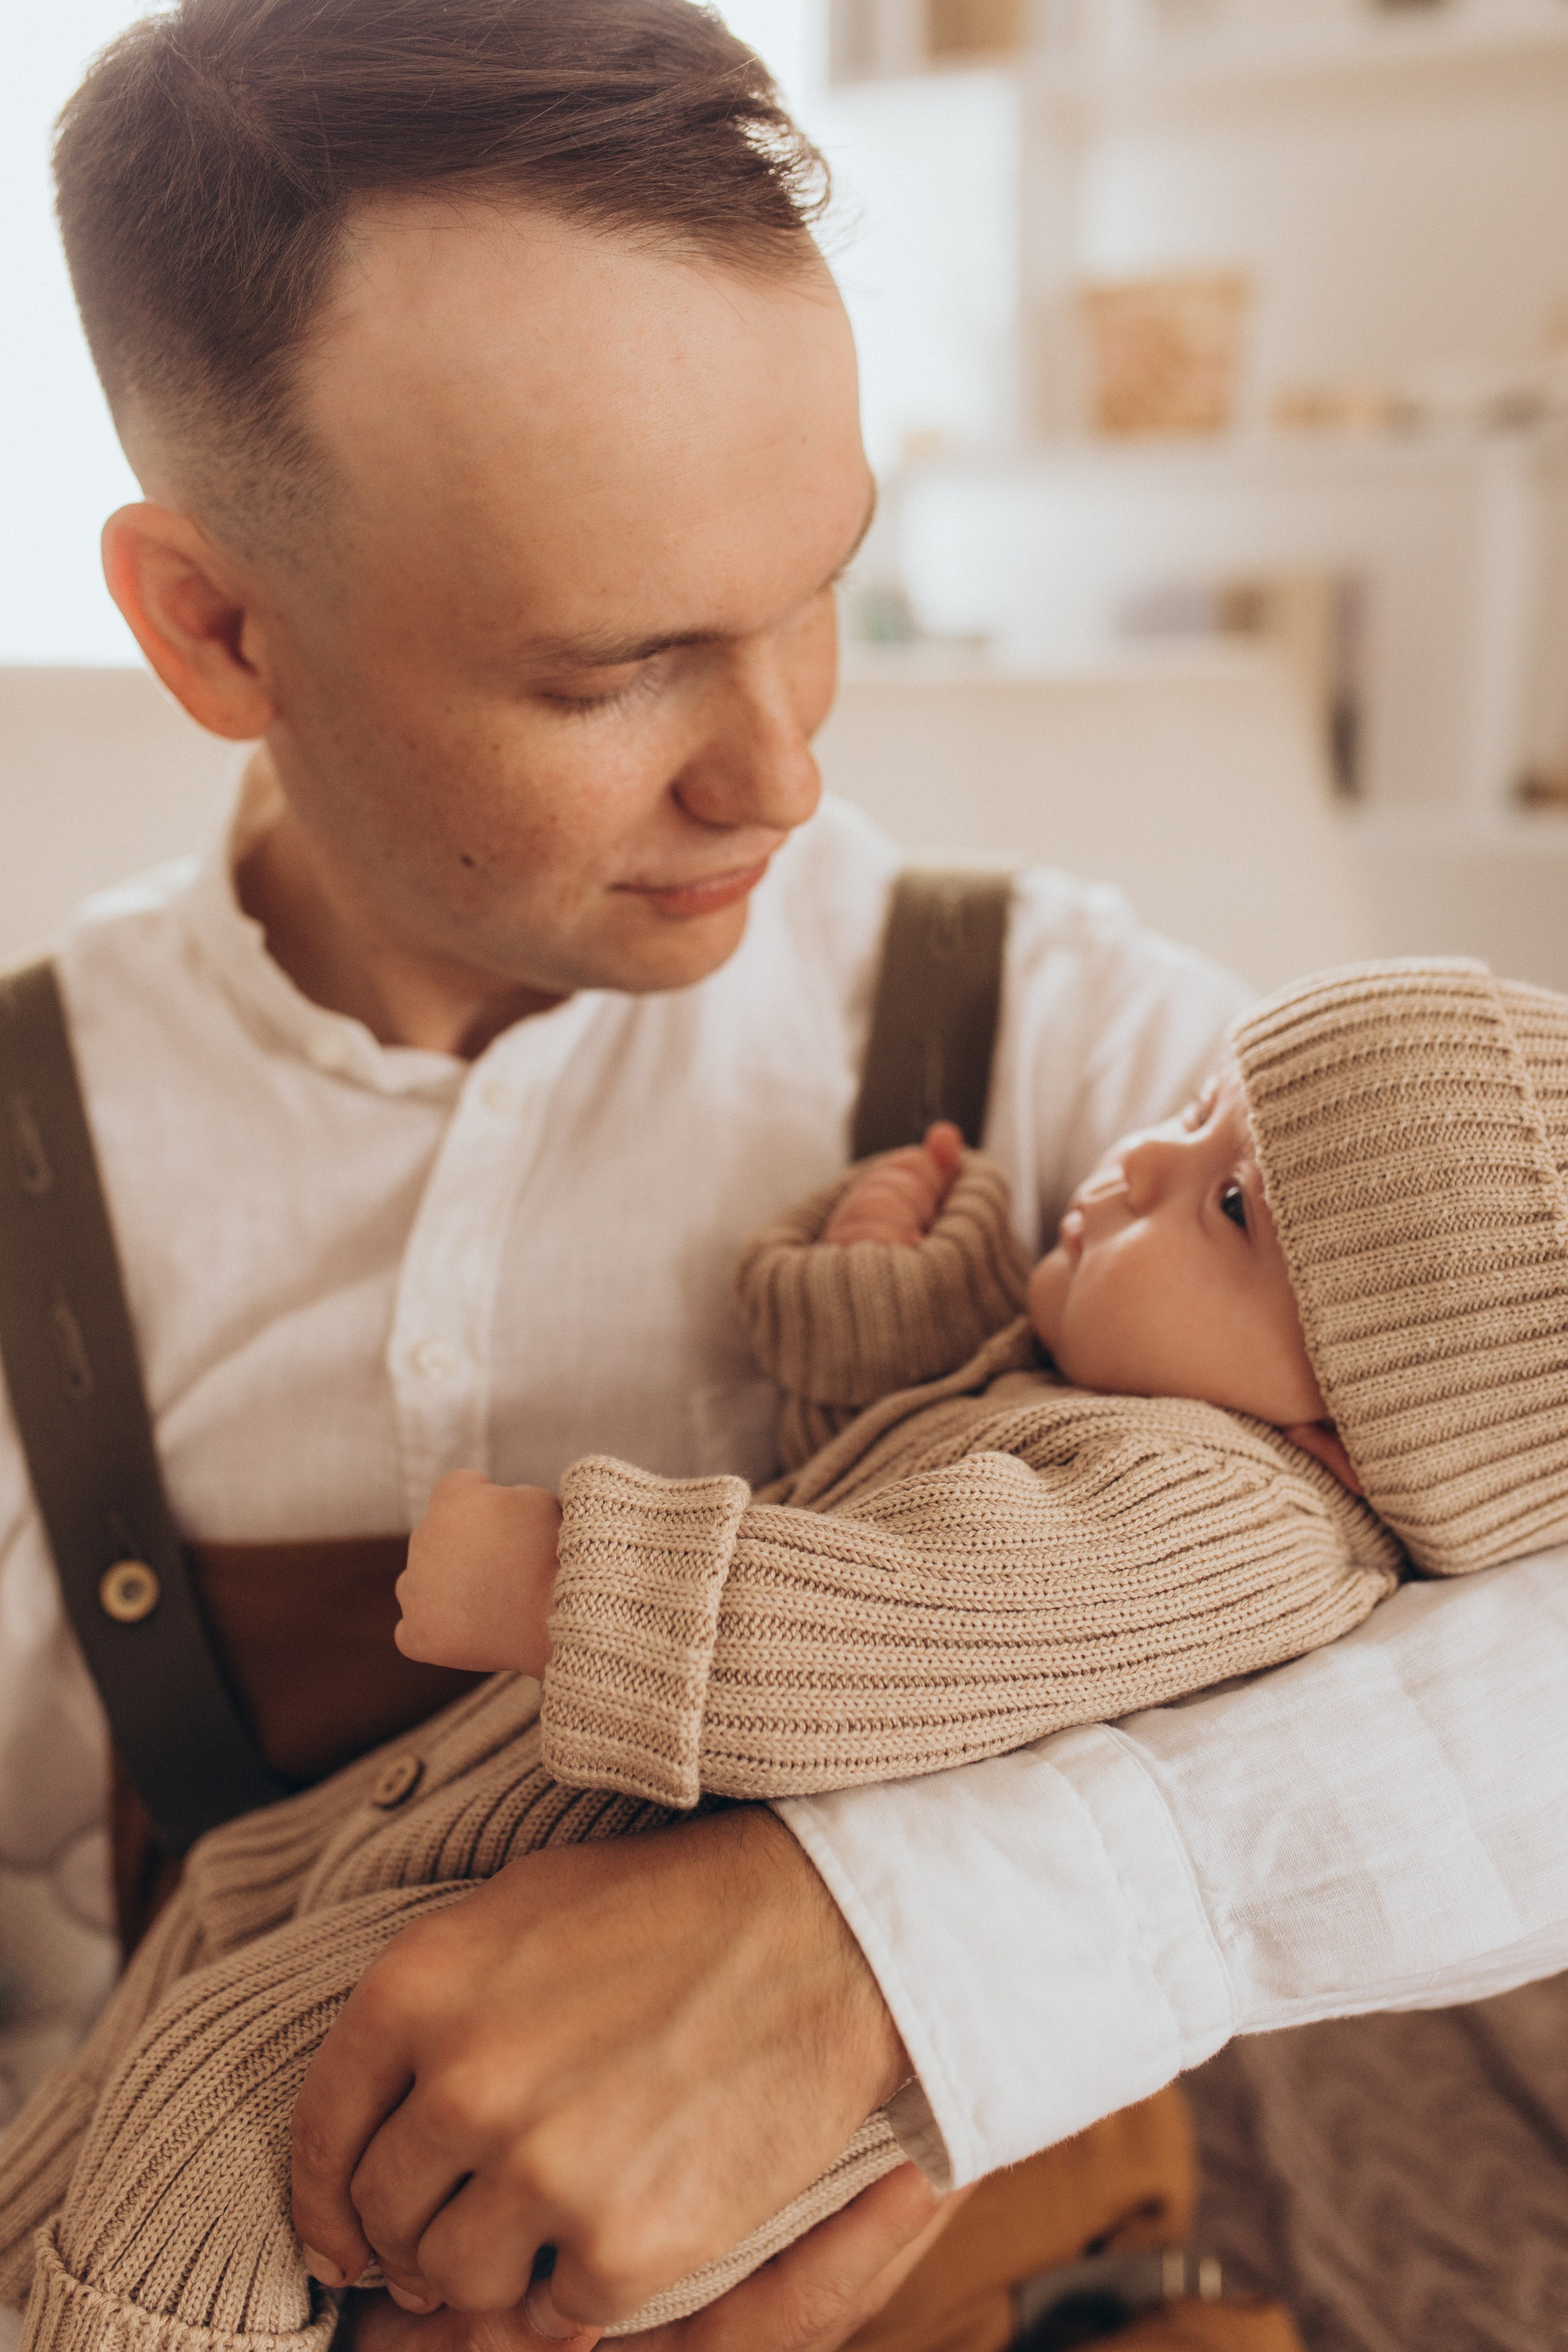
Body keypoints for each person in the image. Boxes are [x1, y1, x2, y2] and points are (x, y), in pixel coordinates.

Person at [4, 1, 1564, 2345]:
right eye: (611, 670)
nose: (783, 777)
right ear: (213, 627)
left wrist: (866, 1944)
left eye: (820, 587)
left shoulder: (1067, 1040)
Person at [4, 957, 1566, 2352]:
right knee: (140, 2071)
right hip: (435, 1888)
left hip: (570, 2003)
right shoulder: (1135, 1420)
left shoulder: (1221, 1516)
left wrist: (561, 1583)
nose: (1139, 1158)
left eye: (1226, 1206)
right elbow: (907, 1501)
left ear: (1343, 1434)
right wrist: (888, 1316)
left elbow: (896, 1627)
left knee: (214, 2114)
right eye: (1191, 1111)